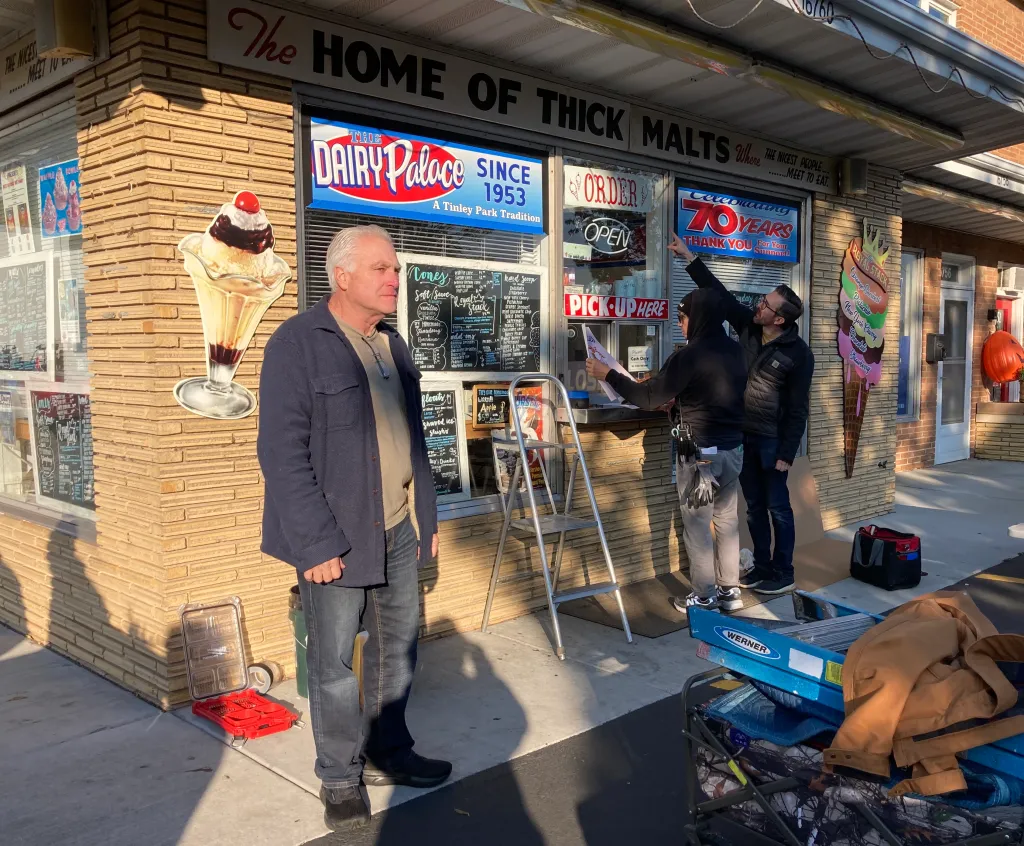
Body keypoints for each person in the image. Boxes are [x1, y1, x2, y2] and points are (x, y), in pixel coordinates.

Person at [257, 224, 450, 832]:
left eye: (396, 269)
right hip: (335, 535)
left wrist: (428, 517)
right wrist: (314, 543)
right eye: (382, 269)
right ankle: (339, 777)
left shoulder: (392, 346)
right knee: (335, 664)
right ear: (342, 276)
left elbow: (413, 440)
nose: (396, 279)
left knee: (399, 648)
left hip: (397, 528)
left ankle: (390, 751)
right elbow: (280, 452)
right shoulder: (298, 343)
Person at [586, 288, 748, 618]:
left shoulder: (689, 355)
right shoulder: (737, 351)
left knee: (698, 527)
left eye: (683, 317)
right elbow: (705, 392)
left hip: (702, 455)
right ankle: (729, 592)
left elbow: (647, 399)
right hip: (733, 450)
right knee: (728, 522)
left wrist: (609, 375)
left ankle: (703, 597)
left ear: (697, 318)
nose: (680, 324)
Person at [669, 233, 815, 596]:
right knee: (752, 510)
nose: (758, 305)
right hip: (739, 436)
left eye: (766, 304)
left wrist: (786, 453)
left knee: (777, 507)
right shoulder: (748, 327)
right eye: (762, 300)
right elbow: (716, 292)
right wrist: (689, 257)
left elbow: (798, 408)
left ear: (779, 319)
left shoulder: (798, 354)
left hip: (771, 442)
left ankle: (783, 571)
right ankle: (762, 566)